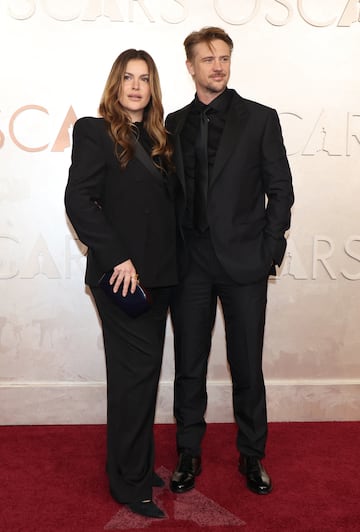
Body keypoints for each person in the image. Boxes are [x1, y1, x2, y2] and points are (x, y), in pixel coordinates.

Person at [166, 27, 294, 496]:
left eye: (224, 57)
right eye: (207, 59)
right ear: (191, 66)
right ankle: (187, 452)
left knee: (247, 363)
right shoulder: (173, 124)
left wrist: (269, 249)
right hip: (190, 264)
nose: (217, 66)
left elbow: (281, 189)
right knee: (189, 363)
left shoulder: (260, 119)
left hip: (244, 263)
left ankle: (252, 454)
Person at [64, 49, 177, 518]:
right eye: (127, 78)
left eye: (144, 79)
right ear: (116, 85)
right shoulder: (93, 131)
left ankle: (135, 463)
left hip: (161, 278)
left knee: (144, 377)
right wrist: (117, 258)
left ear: (152, 89)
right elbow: (78, 200)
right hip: (122, 280)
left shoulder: (159, 139)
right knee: (132, 380)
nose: (135, 86)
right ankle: (128, 484)